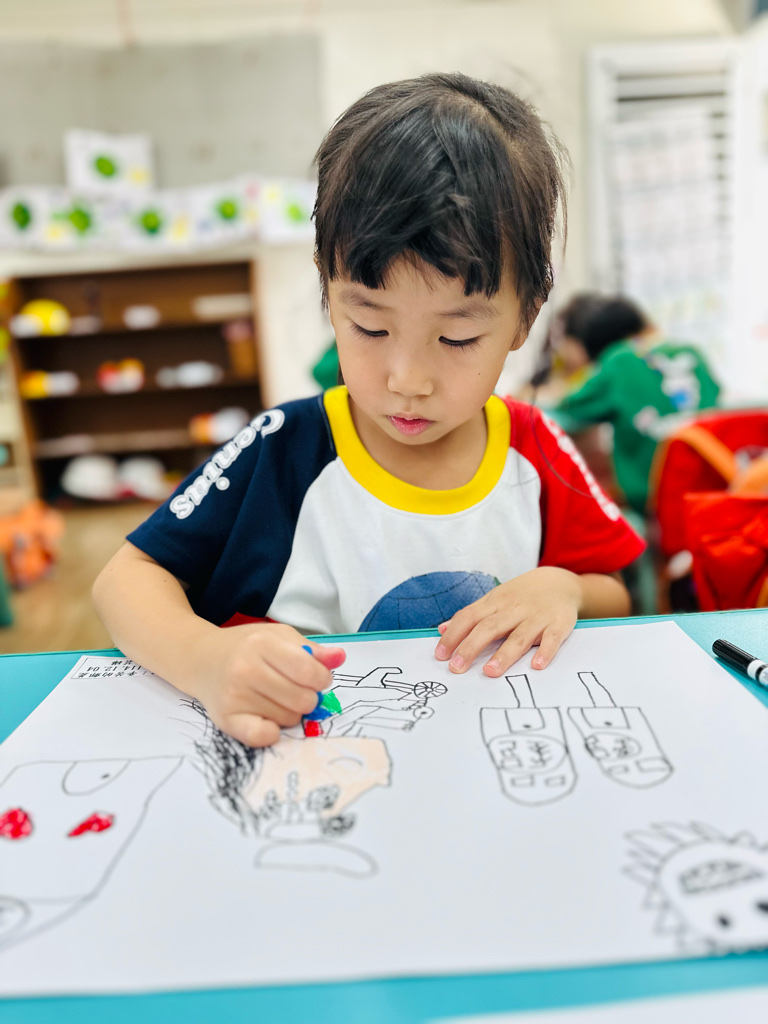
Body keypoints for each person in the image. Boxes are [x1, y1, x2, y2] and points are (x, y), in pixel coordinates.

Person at [93, 73, 644, 749]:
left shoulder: (535, 448)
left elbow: (614, 590)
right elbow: (125, 580)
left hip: (486, 758)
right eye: (370, 327)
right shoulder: (282, 449)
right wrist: (204, 658)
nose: (407, 380)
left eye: (457, 338)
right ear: (329, 292)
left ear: (525, 318)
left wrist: (565, 588)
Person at [550, 294, 720, 513]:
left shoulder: (618, 361)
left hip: (654, 502)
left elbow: (571, 404)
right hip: (710, 491)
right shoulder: (692, 353)